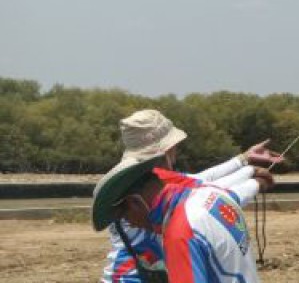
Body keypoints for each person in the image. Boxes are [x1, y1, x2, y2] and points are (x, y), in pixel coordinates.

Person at [98, 109, 281, 283]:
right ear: (169, 149)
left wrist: (246, 165)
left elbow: (203, 185)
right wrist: (250, 172)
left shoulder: (151, 184)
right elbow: (207, 188)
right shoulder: (155, 187)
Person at [93, 156, 275, 283]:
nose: (130, 224)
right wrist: (258, 181)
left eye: (124, 216)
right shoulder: (212, 195)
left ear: (135, 202)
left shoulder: (180, 234)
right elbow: (239, 193)